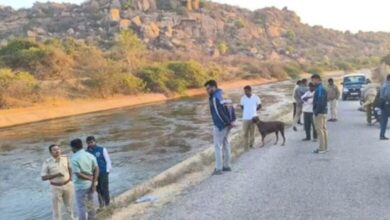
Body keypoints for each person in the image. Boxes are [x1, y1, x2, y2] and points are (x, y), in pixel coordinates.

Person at [204, 80, 236, 175]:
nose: (207, 91)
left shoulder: (214, 98)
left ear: (213, 87)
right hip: (228, 124)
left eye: (208, 88)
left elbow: (218, 113)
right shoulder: (224, 94)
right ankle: (227, 166)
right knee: (226, 144)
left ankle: (218, 169)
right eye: (206, 89)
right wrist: (232, 121)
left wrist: (228, 122)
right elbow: (231, 107)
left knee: (218, 146)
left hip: (220, 125)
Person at [41, 144, 76, 220]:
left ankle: (71, 219)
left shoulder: (65, 158)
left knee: (69, 205)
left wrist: (70, 179)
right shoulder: (47, 162)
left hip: (68, 185)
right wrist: (56, 175)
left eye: (58, 149)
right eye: (54, 150)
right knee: (57, 208)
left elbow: (70, 168)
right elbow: (43, 177)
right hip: (56, 187)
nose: (57, 151)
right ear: (51, 152)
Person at [70, 138, 99, 220]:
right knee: (91, 204)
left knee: (81, 206)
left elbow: (78, 174)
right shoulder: (90, 155)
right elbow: (97, 169)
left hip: (80, 185)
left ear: (73, 147)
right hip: (91, 184)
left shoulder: (74, 158)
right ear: (82, 145)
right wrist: (94, 181)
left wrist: (89, 178)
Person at [86, 136, 112, 207]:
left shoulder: (102, 149)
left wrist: (107, 171)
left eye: (91, 142)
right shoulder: (86, 152)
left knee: (104, 188)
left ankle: (107, 203)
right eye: (88, 143)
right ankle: (101, 204)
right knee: (97, 189)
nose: (90, 144)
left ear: (95, 141)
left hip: (103, 172)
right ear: (87, 143)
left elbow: (108, 160)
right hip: (93, 174)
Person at [240, 85, 262, 150]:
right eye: (244, 91)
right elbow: (241, 106)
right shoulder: (243, 98)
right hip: (245, 118)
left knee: (252, 133)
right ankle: (245, 147)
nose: (245, 93)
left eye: (246, 91)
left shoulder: (256, 97)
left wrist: (255, 110)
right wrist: (247, 111)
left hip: (253, 118)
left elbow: (260, 105)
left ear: (250, 91)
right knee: (245, 133)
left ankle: (251, 145)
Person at [311, 74, 329, 154]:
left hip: (320, 113)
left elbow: (320, 101)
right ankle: (325, 147)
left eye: (312, 80)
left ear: (316, 79)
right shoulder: (322, 87)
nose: (312, 82)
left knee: (320, 130)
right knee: (324, 130)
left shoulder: (320, 88)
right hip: (323, 111)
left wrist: (316, 112)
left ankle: (321, 148)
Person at [379, 74, 390, 140]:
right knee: (384, 121)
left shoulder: (383, 85)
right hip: (388, 104)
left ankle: (382, 135)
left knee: (384, 121)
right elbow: (387, 94)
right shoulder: (388, 85)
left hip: (383, 104)